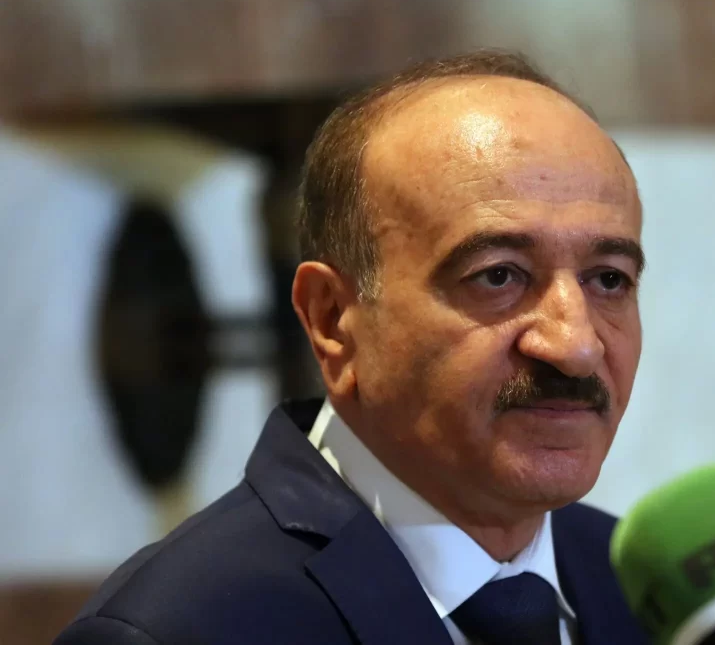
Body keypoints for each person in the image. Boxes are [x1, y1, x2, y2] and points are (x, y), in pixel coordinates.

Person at [55, 49, 649, 645]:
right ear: (333, 320)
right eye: (498, 276)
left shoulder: (645, 592)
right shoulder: (175, 631)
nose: (576, 346)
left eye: (609, 279)